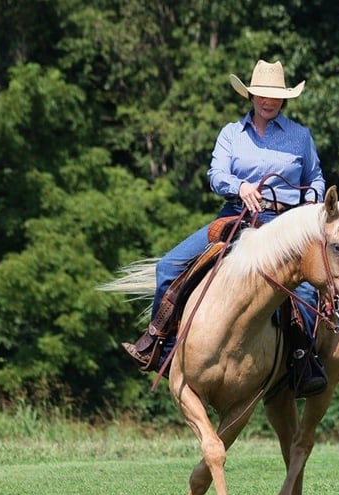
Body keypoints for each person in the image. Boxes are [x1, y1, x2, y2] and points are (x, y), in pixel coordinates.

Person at [123, 59, 327, 395]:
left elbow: (316, 177)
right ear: (251, 95)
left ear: (284, 99)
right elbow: (216, 175)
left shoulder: (300, 136)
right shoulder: (231, 133)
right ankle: (160, 343)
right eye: (261, 94)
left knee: (302, 292)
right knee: (168, 266)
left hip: (284, 226)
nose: (268, 101)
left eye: (275, 96)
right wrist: (239, 186)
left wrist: (311, 201)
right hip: (236, 215)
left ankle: (305, 361)